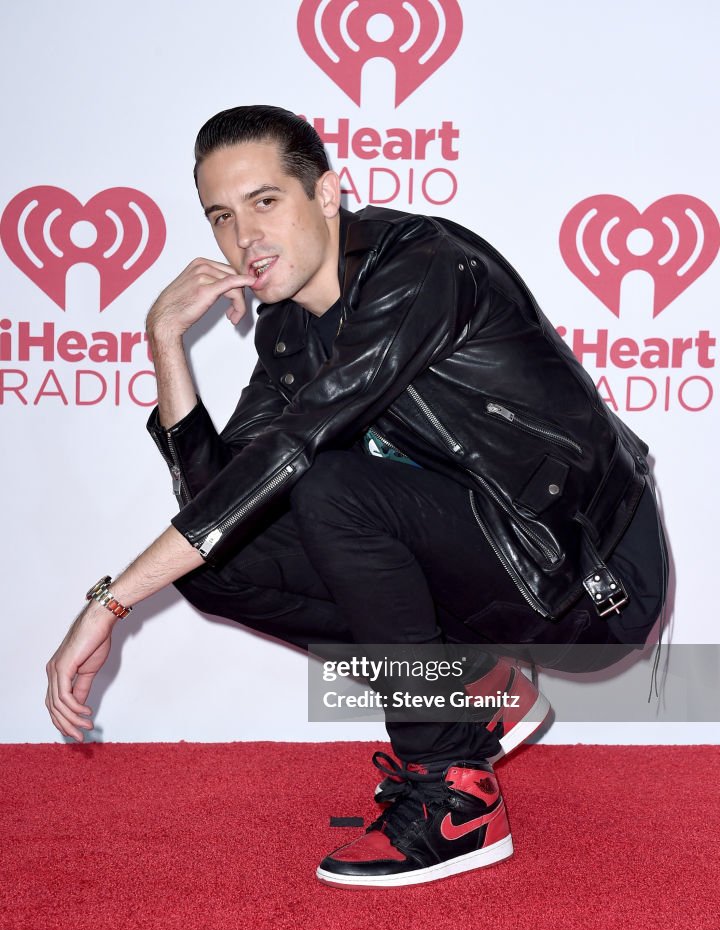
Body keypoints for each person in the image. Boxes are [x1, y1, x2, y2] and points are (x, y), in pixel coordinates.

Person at [45, 105, 667, 889]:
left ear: (329, 194)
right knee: (210, 563)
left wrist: (109, 603)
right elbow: (221, 502)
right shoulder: (289, 329)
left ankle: (454, 794)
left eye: (266, 202)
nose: (245, 238)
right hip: (491, 561)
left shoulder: (424, 265)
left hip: (586, 572)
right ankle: (473, 687)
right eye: (222, 217)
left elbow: (293, 450)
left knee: (331, 487)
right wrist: (165, 341)